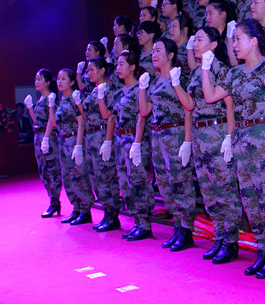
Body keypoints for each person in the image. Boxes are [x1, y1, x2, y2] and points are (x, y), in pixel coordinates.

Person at [202, 19, 265, 278]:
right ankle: (262, 249)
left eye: (238, 39)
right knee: (250, 197)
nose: (234, 45)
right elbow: (210, 96)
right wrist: (205, 68)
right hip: (242, 139)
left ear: (253, 41)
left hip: (264, 136)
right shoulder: (235, 73)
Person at [172, 27, 242, 264]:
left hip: (217, 130)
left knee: (224, 188)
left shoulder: (220, 69)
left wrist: (229, 136)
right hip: (200, 134)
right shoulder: (196, 72)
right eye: (195, 40)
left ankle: (230, 241)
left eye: (200, 40)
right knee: (208, 189)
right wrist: (176, 85)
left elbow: (230, 104)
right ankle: (219, 236)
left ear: (213, 44)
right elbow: (190, 105)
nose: (195, 44)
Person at [138, 39, 197, 251]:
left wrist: (187, 140)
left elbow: (189, 109)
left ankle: (186, 230)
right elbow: (144, 111)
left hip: (176, 133)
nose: (153, 55)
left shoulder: (180, 78)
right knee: (164, 182)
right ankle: (177, 226)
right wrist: (142, 89)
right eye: (152, 51)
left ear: (170, 55)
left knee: (180, 181)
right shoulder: (155, 83)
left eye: (158, 51)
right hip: (158, 135)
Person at [104, 50, 155, 241]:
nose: (118, 68)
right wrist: (109, 141)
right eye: (117, 64)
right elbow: (111, 117)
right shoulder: (119, 93)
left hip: (134, 139)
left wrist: (137, 143)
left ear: (132, 67)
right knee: (125, 184)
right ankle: (136, 221)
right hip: (120, 141)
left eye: (122, 64)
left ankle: (145, 223)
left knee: (138, 182)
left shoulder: (139, 90)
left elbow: (141, 116)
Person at [42, 69, 93, 226]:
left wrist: (78, 145)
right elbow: (54, 123)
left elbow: (81, 123)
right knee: (67, 177)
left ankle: (85, 210)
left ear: (72, 82)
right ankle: (76, 208)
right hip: (62, 141)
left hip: (73, 140)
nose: (59, 81)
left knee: (79, 175)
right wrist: (51, 106)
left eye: (63, 79)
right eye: (58, 79)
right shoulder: (61, 100)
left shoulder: (74, 99)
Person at [83, 57, 122, 232]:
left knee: (106, 176)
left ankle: (112, 214)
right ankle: (107, 212)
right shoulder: (94, 91)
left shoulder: (109, 90)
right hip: (91, 136)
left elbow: (111, 117)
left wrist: (107, 140)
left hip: (102, 135)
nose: (89, 73)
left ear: (102, 70)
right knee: (96, 177)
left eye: (92, 70)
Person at [25, 69, 63, 218]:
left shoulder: (50, 99)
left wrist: (46, 138)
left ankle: (55, 201)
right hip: (38, 136)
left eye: (39, 79)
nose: (36, 82)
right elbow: (37, 121)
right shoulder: (41, 99)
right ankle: (53, 200)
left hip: (48, 137)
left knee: (51, 169)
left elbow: (50, 121)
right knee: (43, 169)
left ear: (47, 83)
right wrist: (30, 107)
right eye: (36, 79)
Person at [168, 12, 194, 78]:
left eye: (174, 26)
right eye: (170, 27)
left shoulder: (191, 49)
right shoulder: (171, 49)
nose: (170, 30)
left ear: (185, 30)